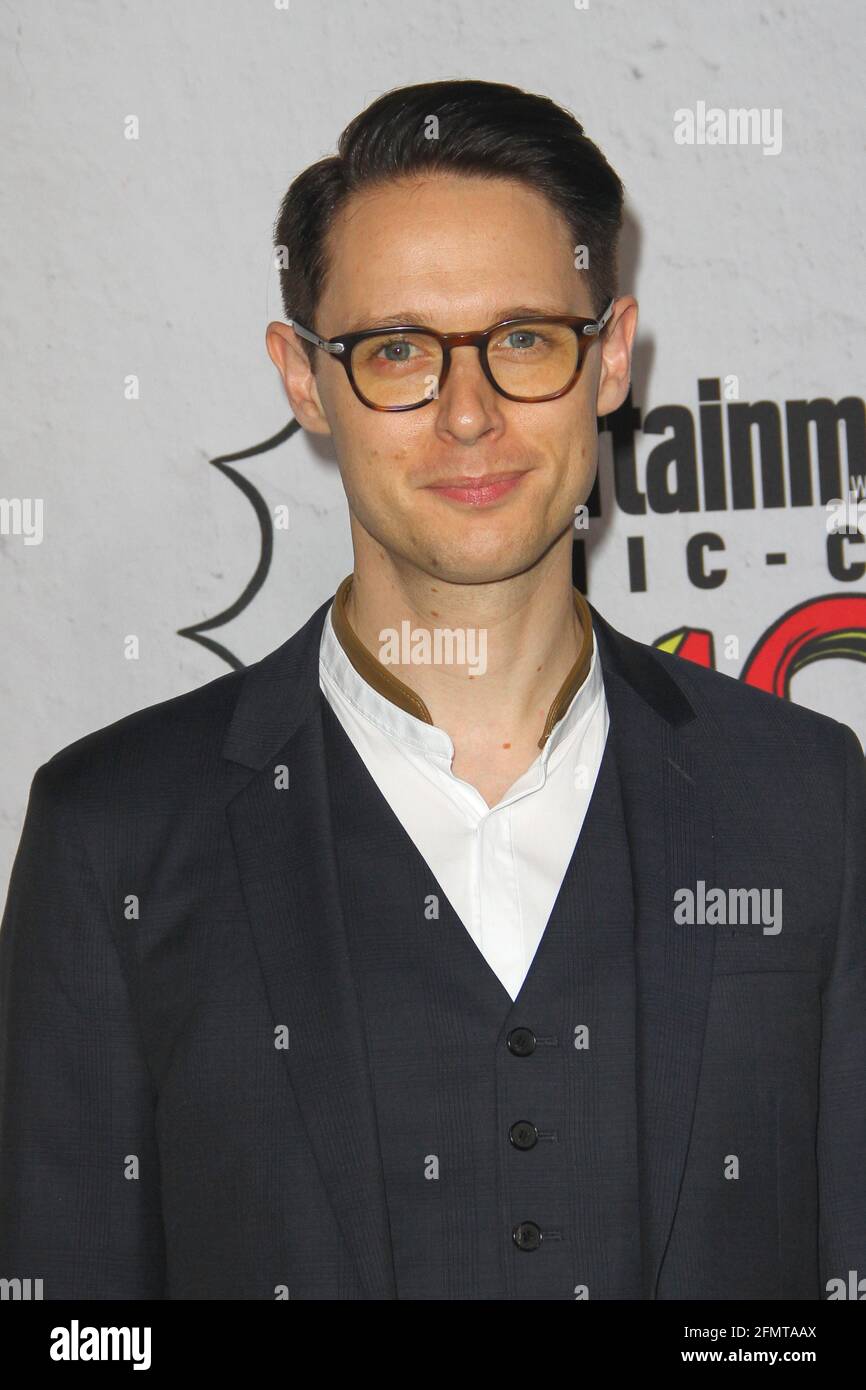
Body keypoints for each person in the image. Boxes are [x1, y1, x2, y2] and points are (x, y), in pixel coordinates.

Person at [1, 79, 863, 1301]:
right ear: (304, 379)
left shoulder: (805, 798)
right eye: (397, 349)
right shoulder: (116, 834)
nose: (468, 415)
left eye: (523, 339)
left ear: (608, 357)